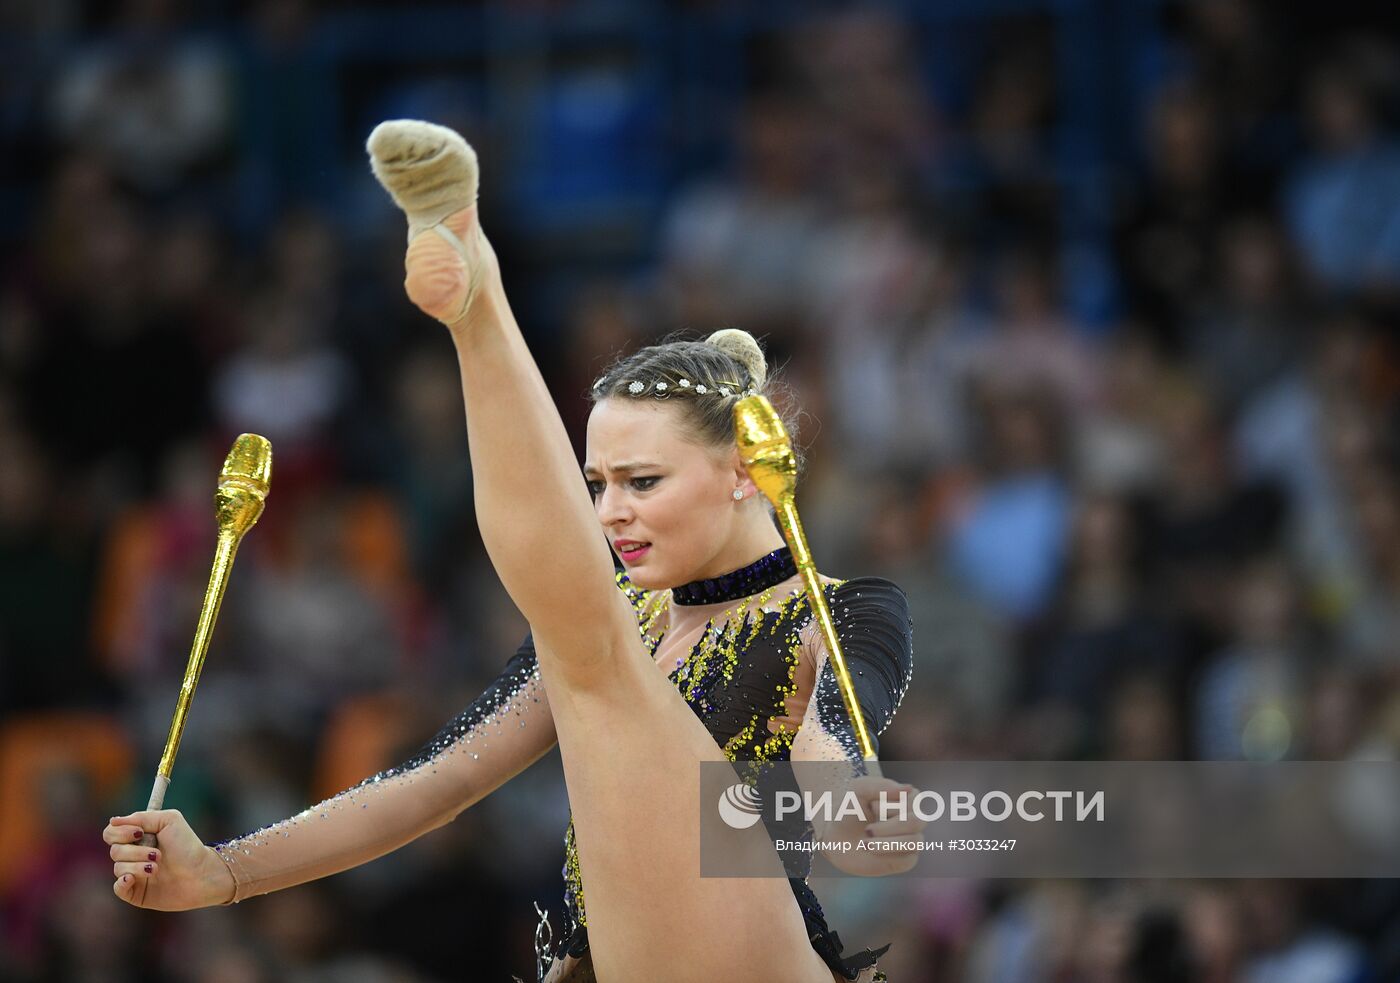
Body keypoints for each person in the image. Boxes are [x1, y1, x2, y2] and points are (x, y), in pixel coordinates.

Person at [102, 121, 918, 982]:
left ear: (746, 472)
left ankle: (478, 308)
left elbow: (835, 739)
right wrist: (225, 871)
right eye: (596, 485)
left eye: (643, 481)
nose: (611, 513)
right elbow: (438, 781)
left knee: (590, 645)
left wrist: (842, 795)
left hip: (755, 949)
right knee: (588, 642)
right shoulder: (609, 621)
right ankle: (474, 307)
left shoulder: (840, 608)